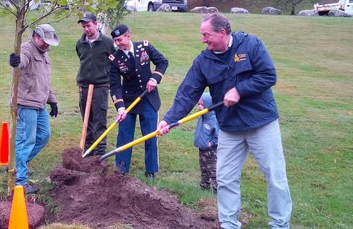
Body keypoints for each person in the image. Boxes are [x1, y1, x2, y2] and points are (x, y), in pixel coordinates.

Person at [157, 13, 292, 228]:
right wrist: (169, 120)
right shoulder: (204, 60)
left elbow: (268, 75)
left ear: (222, 32)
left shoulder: (251, 45)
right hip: (229, 127)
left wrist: (240, 90)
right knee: (226, 179)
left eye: (206, 35)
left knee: (275, 177)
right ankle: (229, 224)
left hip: (261, 123)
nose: (203, 40)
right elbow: (188, 92)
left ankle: (280, 224)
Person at [109, 24, 168, 178]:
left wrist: (155, 79)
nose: (118, 43)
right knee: (124, 136)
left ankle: (151, 171)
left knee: (150, 135)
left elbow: (162, 62)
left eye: (120, 39)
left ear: (128, 35)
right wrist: (120, 107)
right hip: (128, 100)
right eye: (115, 41)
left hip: (148, 98)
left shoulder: (145, 47)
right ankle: (120, 170)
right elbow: (115, 86)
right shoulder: (115, 58)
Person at [8, 24, 60, 194]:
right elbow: (21, 60)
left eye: (49, 42)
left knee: (44, 136)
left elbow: (44, 80)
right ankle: (20, 182)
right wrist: (16, 61)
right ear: (36, 36)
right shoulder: (26, 49)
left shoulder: (45, 54)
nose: (47, 45)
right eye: (44, 41)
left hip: (40, 103)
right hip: (26, 102)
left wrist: (52, 101)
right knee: (26, 140)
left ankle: (16, 165)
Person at [76, 12, 116, 156]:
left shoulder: (107, 42)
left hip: (100, 86)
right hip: (84, 87)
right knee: (86, 120)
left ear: (95, 24)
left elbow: (114, 62)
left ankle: (99, 153)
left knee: (99, 120)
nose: (86, 29)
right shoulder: (80, 43)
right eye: (83, 27)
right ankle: (87, 151)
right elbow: (81, 58)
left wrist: (105, 76)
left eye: (88, 25)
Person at [194, 92, 219, 193]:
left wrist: (211, 144)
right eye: (198, 105)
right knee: (204, 170)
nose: (200, 107)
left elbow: (218, 136)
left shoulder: (213, 120)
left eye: (202, 105)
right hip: (202, 149)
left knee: (213, 171)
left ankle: (217, 189)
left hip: (210, 151)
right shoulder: (202, 117)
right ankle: (204, 187)